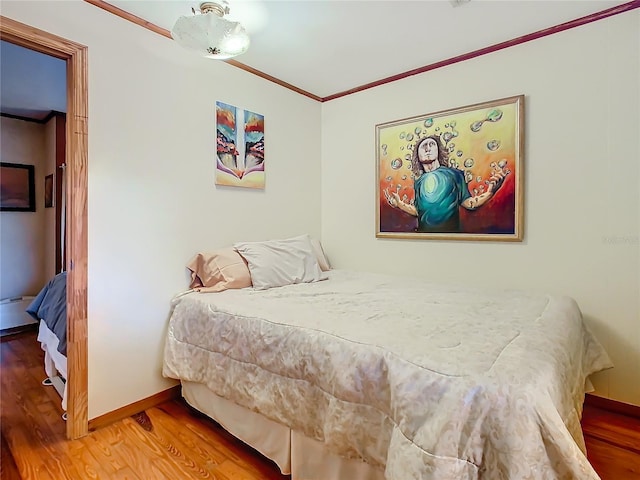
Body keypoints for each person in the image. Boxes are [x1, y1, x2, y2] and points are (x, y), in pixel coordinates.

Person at [384, 135, 508, 233]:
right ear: (417, 155)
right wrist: (399, 204)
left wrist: (490, 192)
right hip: (423, 240)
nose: (428, 148)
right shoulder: (419, 182)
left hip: (451, 239)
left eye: (432, 144)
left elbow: (470, 203)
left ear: (439, 150)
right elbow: (418, 211)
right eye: (424, 146)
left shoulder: (455, 174)